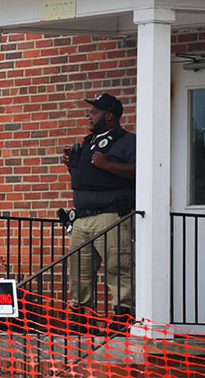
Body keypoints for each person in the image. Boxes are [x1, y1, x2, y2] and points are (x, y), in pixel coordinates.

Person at [59, 92, 137, 330]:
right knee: (78, 270)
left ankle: (122, 317)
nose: (89, 116)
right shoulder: (87, 142)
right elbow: (86, 179)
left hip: (111, 215)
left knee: (118, 267)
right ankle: (80, 318)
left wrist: (108, 164)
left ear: (110, 116)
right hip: (81, 218)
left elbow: (141, 170)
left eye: (95, 112)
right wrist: (71, 165)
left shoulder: (127, 141)